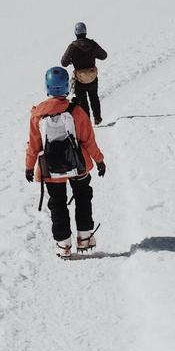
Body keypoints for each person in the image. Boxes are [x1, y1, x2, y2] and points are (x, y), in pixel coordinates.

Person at [25, 66, 106, 258]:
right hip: (78, 165)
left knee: (57, 203)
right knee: (83, 197)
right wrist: (99, 160)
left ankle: (63, 245)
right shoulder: (76, 111)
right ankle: (85, 238)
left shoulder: (38, 114)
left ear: (47, 87)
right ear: (66, 87)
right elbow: (88, 140)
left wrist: (29, 166)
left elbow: (34, 145)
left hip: (51, 170)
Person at [61, 21, 107, 125]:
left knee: (82, 101)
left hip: (79, 79)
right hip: (92, 77)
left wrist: (72, 60)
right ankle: (97, 118)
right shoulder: (92, 44)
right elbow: (104, 56)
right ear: (85, 31)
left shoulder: (72, 47)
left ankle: (87, 122)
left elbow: (64, 62)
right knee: (94, 97)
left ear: (75, 33)